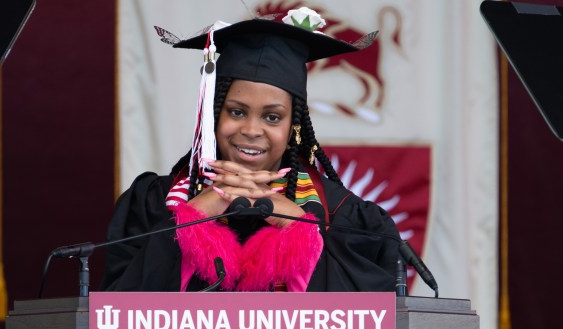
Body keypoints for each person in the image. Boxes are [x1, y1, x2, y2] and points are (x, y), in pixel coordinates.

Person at [100, 7, 400, 293]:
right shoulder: (155, 203)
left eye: (272, 117)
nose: (252, 131)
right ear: (214, 116)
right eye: (237, 112)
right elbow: (114, 317)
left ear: (293, 126)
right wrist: (191, 219)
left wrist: (298, 226)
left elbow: (376, 324)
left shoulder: (341, 214)